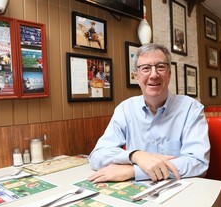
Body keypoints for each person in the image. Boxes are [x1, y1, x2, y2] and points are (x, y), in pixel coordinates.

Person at [88, 43, 210, 183]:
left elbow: (198, 163)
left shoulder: (191, 109)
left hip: (179, 189)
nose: (154, 75)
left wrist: (133, 171)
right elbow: (96, 156)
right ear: (136, 76)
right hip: (136, 192)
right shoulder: (125, 109)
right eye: (145, 68)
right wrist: (136, 155)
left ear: (169, 74)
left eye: (160, 67)